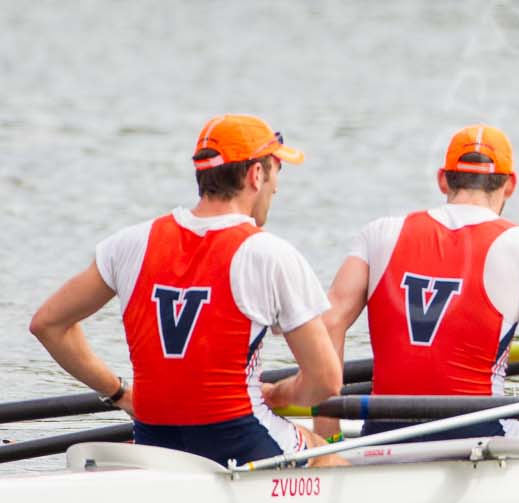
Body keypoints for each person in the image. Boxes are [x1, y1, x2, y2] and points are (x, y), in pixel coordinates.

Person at [29, 114, 341, 466]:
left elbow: (48, 325)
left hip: (155, 441)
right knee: (331, 456)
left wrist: (119, 393)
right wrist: (281, 394)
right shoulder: (269, 254)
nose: (277, 187)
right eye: (276, 170)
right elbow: (326, 381)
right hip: (239, 441)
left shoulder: (131, 243)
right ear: (256, 174)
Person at [322, 124, 519, 443]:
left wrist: (328, 441)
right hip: (479, 432)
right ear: (510, 185)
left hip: (383, 434)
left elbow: (329, 322)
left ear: (443, 179)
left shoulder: (379, 233)